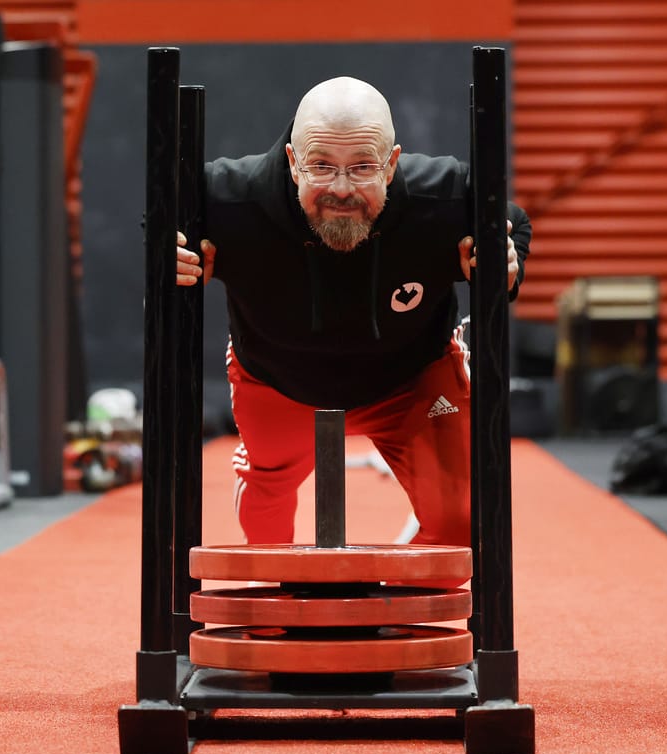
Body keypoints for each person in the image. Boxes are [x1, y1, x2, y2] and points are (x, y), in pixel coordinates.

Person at [175, 77, 531, 577]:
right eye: (322, 166)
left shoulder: (445, 195)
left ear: (392, 163)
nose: (341, 189)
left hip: (409, 380)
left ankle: (388, 611)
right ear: (293, 160)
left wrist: (507, 262)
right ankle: (289, 604)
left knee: (463, 524)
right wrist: (173, 257)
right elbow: (161, 220)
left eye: (363, 167)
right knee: (266, 534)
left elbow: (512, 220)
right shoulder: (229, 197)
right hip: (277, 380)